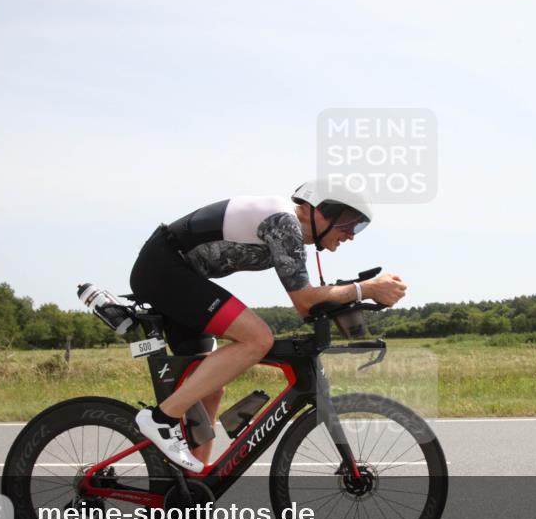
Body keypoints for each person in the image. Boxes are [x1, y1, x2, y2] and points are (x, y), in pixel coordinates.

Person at [128, 180, 407, 473]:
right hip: (165, 269)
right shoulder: (284, 222)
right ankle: (161, 419)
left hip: (178, 273)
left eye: (358, 229)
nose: (351, 235)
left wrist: (355, 296)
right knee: (257, 338)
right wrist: (365, 289)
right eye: (350, 224)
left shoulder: (291, 230)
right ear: (320, 211)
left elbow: (309, 304)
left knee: (208, 386)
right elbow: (305, 301)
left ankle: (194, 492)